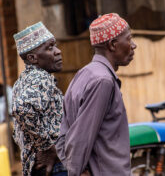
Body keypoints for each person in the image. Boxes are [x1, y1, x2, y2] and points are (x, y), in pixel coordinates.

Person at [55, 13, 137, 176]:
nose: (134, 45)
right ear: (113, 45)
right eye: (129, 39)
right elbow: (81, 138)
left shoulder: (83, 74)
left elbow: (62, 136)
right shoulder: (103, 81)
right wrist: (77, 172)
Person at [12, 22, 67, 176]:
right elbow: (21, 109)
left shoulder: (22, 81)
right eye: (50, 48)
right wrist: (47, 146)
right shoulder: (41, 78)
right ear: (32, 58)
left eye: (55, 46)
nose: (58, 51)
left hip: (36, 166)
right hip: (53, 166)